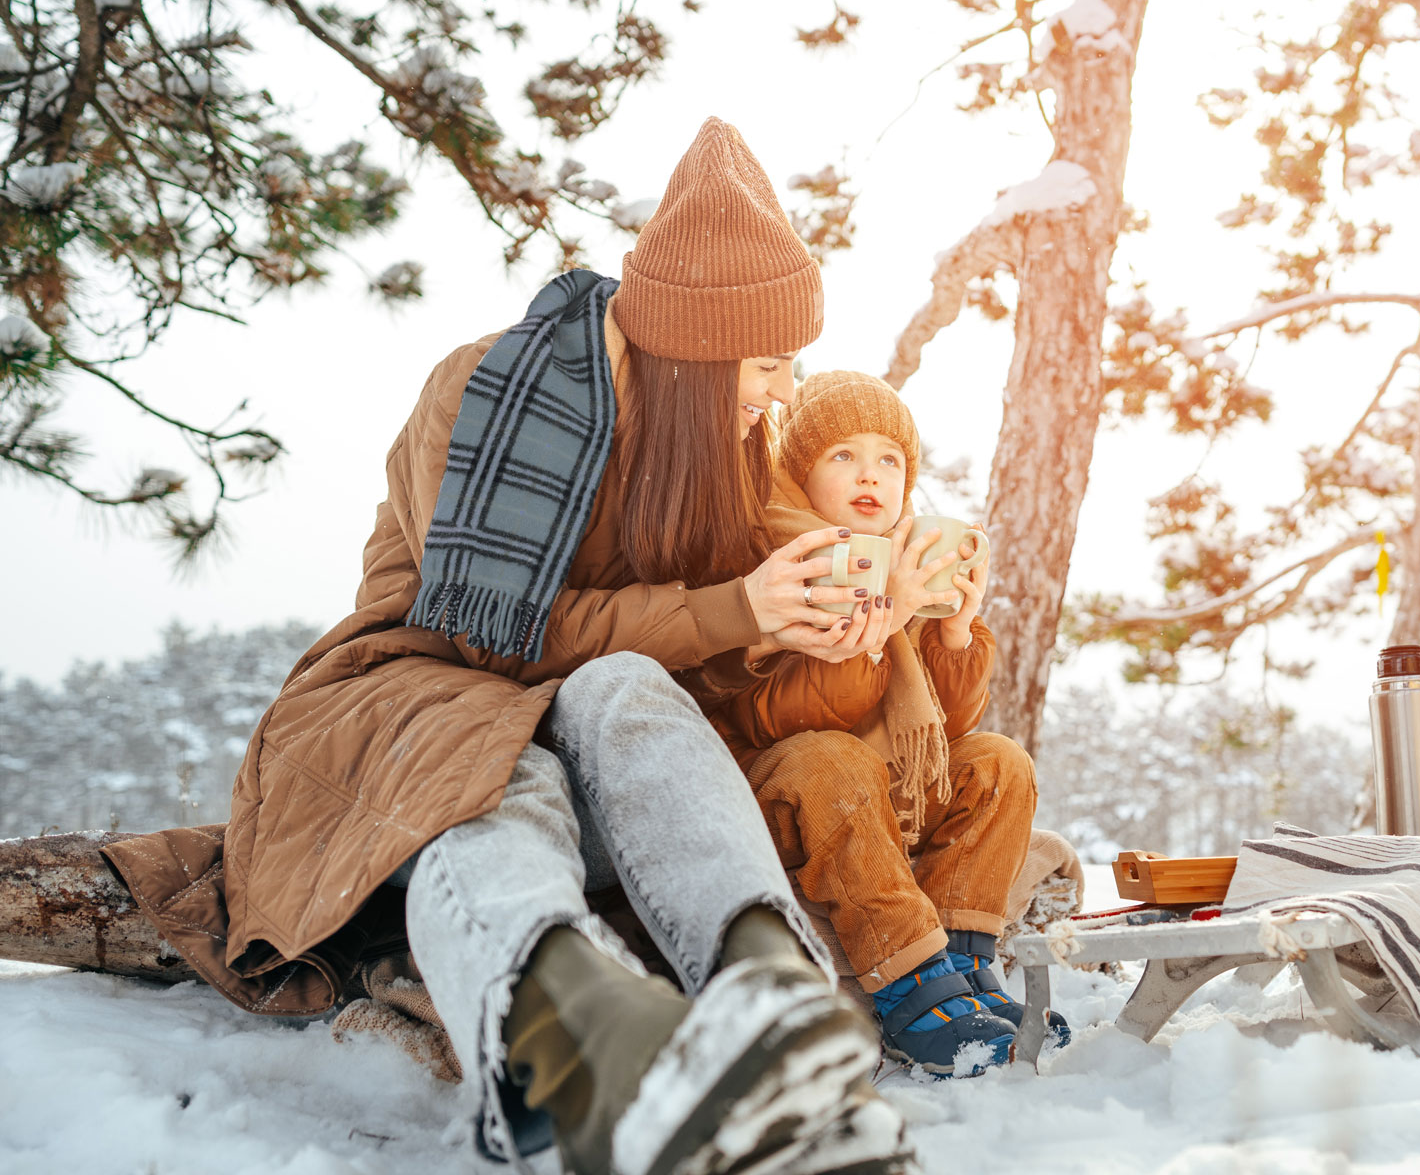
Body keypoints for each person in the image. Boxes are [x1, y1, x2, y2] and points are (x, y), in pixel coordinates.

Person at [105, 120, 914, 1175]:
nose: (779, 391)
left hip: (595, 742)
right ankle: (591, 1047)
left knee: (624, 683)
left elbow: (719, 628)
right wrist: (731, 611)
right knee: (496, 770)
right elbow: (492, 633)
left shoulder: (723, 450)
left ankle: (771, 1004)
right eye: (766, 362)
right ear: (697, 353)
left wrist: (822, 613)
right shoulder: (488, 392)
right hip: (411, 698)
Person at [706, 370, 1068, 1077]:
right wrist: (887, 615)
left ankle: (962, 967)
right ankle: (910, 991)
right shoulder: (781, 554)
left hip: (884, 795)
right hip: (790, 795)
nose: (870, 475)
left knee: (998, 762)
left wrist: (956, 632)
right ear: (799, 469)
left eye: (889, 460)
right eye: (843, 456)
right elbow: (798, 715)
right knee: (835, 758)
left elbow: (950, 727)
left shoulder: (906, 559)